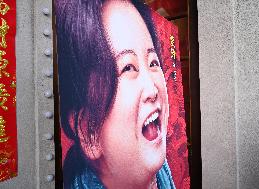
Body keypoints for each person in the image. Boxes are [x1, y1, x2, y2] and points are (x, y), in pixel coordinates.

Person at [56, 0, 175, 188]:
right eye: (128, 68)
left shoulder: (161, 173)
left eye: (153, 63)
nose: (152, 90)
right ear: (89, 130)